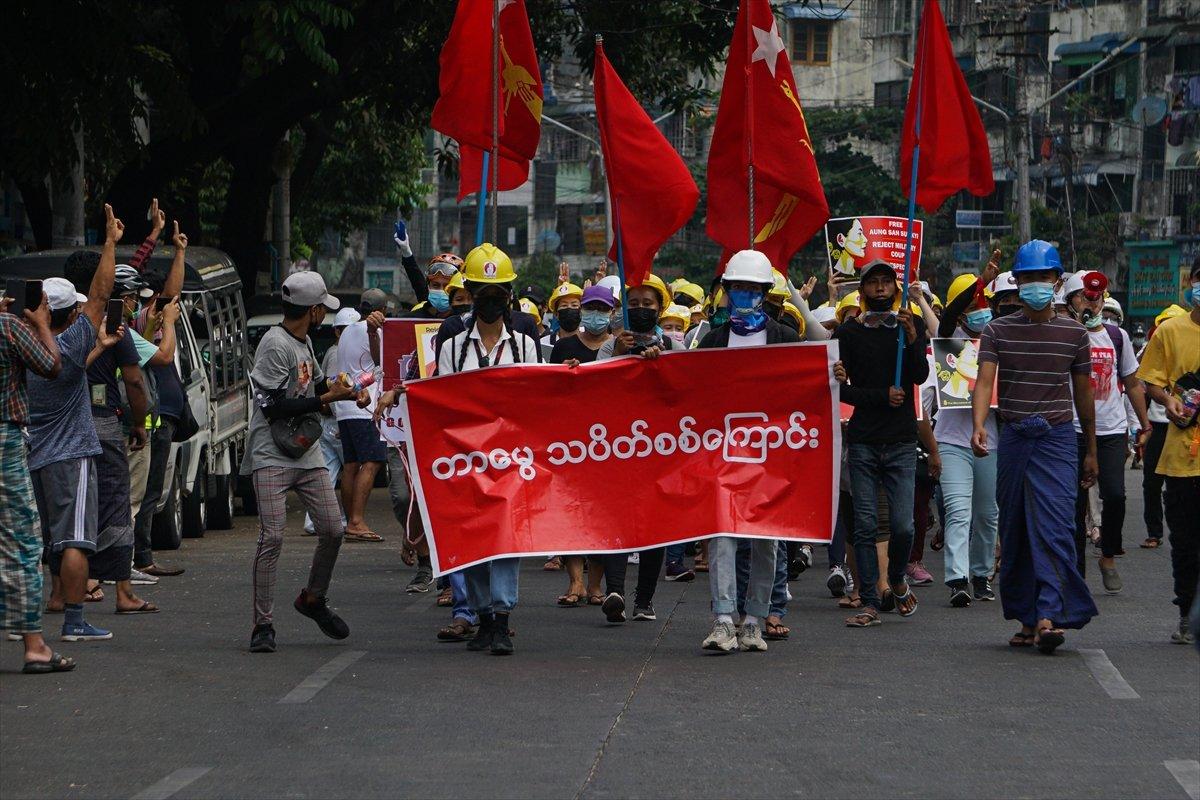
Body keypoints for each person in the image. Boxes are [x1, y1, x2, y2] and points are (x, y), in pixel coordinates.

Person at [971, 240, 1099, 654]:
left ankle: (1048, 616)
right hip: (1013, 437)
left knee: (1056, 527)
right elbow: (984, 382)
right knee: (1016, 528)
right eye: (1028, 278)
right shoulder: (997, 330)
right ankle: (1027, 618)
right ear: (1017, 281)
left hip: (1058, 439)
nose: (1036, 284)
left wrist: (1091, 450)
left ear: (1057, 281)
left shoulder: (1075, 334)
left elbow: (1084, 397)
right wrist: (979, 425)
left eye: (1043, 277)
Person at [243, 271, 360, 654]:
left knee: (333, 528)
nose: (324, 314)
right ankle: (263, 625)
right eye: (322, 308)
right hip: (271, 452)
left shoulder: (304, 341)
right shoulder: (274, 345)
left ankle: (313, 598)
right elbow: (273, 407)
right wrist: (326, 399)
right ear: (312, 311)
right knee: (272, 536)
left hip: (306, 450)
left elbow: (317, 385)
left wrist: (344, 390)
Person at [433, 243, 539, 655]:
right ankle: (483, 618)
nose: (491, 301)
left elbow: (537, 398)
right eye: (483, 293)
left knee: (507, 540)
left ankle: (502, 620)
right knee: (473, 539)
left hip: (510, 460)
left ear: (509, 296)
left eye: (498, 294)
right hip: (467, 459)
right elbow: (443, 402)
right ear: (472, 295)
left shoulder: (525, 346)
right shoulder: (451, 348)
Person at [28, 204, 126, 642]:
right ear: (71, 315)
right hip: (70, 455)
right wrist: (109, 242)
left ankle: (28, 617)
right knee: (74, 541)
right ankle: (74, 620)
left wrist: (99, 347)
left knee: (38, 540)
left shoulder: (21, 347)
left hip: (31, 455)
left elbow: (63, 370)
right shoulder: (70, 343)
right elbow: (101, 294)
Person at [696, 250, 800, 652]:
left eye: (752, 288)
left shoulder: (786, 339)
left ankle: (754, 621)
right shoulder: (712, 341)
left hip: (770, 457)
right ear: (726, 290)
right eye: (737, 287)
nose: (744, 294)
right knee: (722, 536)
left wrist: (831, 375)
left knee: (766, 540)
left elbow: (803, 391)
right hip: (722, 454)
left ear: (765, 292)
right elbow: (689, 391)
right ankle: (724, 620)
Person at [62, 231, 157, 613]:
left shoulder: (54, 321)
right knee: (116, 505)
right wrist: (140, 423)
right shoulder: (111, 325)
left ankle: (66, 588)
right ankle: (123, 591)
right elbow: (134, 381)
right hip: (103, 422)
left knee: (71, 508)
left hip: (61, 430)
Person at [834, 259, 929, 629]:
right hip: (863, 440)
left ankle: (899, 578)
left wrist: (913, 339)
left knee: (903, 526)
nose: (879, 288)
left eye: (886, 282)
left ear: (895, 288)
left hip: (902, 440)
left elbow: (919, 375)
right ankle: (871, 601)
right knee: (865, 525)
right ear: (862, 290)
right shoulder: (848, 332)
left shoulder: (910, 323)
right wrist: (879, 396)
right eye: (872, 282)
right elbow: (841, 388)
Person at [589, 274, 675, 624]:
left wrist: (661, 364)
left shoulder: (673, 345)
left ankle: (645, 600)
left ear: (659, 308)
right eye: (633, 304)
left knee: (656, 523)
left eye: (647, 304)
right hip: (619, 444)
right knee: (618, 516)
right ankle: (616, 592)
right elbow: (596, 386)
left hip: (660, 447)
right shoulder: (610, 346)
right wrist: (620, 355)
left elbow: (682, 391)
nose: (640, 309)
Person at [1063, 270, 1150, 593]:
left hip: (1111, 430)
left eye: (1096, 297)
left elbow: (1131, 382)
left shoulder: (1118, 337)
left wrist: (1143, 423)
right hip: (1072, 430)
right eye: (1084, 297)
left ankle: (1108, 555)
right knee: (1073, 504)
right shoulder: (1064, 335)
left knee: (1115, 496)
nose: (1091, 302)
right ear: (1070, 302)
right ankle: (1076, 573)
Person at [0, 283, 71, 672]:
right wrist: (41, 322)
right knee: (23, 541)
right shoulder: (8, 327)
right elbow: (51, 365)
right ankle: (34, 645)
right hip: (4, 439)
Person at [1136, 257, 1200, 645]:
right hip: (1182, 458)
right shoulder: (1170, 331)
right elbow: (1151, 381)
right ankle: (1186, 613)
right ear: (1192, 282)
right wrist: (1168, 400)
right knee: (1186, 544)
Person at [934, 270, 1000, 607]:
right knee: (959, 511)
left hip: (989, 441)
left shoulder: (997, 340)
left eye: (985, 305)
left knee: (987, 514)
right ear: (961, 314)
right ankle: (958, 580)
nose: (982, 312)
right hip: (951, 440)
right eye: (974, 307)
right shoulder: (948, 338)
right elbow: (946, 318)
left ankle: (982, 575)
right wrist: (980, 281)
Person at [129, 221, 189, 578]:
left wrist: (175, 249)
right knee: (144, 492)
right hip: (148, 418)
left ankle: (139, 557)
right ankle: (139, 558)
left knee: (147, 492)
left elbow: (171, 294)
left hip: (156, 414)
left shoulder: (141, 319)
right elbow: (164, 357)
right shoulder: (138, 324)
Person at [334, 289, 389, 544]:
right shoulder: (375, 332)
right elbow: (380, 363)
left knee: (351, 464)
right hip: (365, 406)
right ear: (383, 311)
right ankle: (356, 521)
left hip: (345, 406)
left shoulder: (347, 331)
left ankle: (351, 521)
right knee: (373, 461)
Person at [303, 307, 359, 535]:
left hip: (332, 423)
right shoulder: (339, 354)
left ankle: (314, 521)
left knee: (326, 473)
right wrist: (341, 421)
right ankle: (351, 520)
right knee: (351, 472)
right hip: (338, 423)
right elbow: (335, 389)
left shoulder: (334, 352)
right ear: (337, 332)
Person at [1140, 304, 1188, 549]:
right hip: (1158, 427)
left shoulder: (1188, 351)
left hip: (1185, 429)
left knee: (1182, 485)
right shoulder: (1153, 350)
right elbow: (1143, 388)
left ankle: (1183, 532)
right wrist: (1142, 428)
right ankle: (1154, 532)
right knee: (1151, 482)